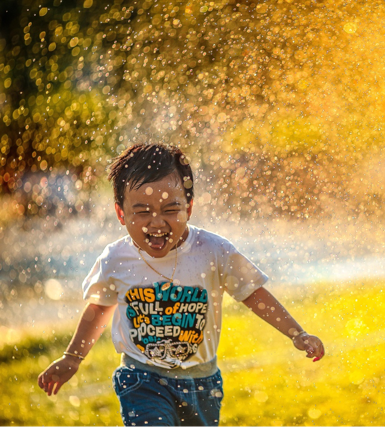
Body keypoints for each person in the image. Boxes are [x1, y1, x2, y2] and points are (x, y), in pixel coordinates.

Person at [37, 143, 325, 427]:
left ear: (189, 208)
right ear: (121, 214)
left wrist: (296, 333)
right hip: (142, 379)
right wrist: (72, 358)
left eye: (170, 209)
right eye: (143, 211)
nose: (157, 222)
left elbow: (252, 293)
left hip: (202, 383)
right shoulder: (116, 258)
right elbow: (99, 307)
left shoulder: (213, 250)